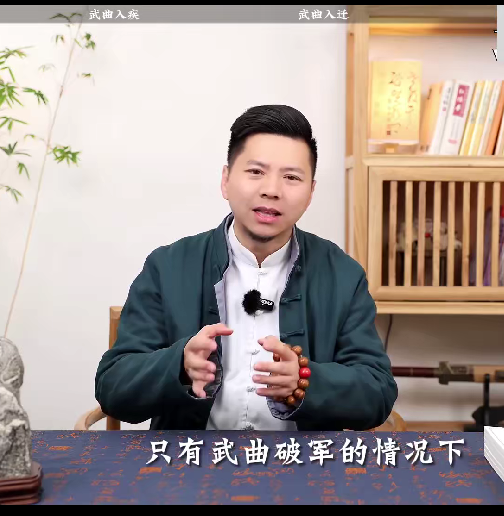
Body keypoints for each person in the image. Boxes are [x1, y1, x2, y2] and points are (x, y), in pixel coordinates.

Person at [95, 105, 397, 431]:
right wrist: (179, 365)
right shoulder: (167, 267)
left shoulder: (343, 275)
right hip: (192, 460)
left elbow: (377, 392)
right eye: (255, 172)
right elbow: (114, 387)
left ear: (310, 192)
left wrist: (305, 382)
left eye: (291, 177)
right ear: (226, 180)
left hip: (301, 461)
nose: (271, 190)